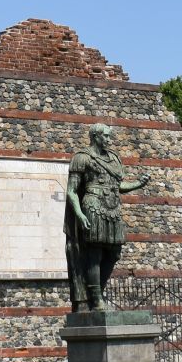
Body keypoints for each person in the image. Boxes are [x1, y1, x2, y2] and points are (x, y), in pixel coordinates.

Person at [64, 122, 148, 313]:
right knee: (95, 254)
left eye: (110, 136)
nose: (110, 140)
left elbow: (118, 186)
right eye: (107, 136)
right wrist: (78, 213)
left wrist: (137, 184)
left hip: (113, 208)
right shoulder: (81, 158)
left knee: (114, 252)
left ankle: (97, 293)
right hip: (92, 206)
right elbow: (72, 191)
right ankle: (96, 300)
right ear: (95, 136)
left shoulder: (114, 158)